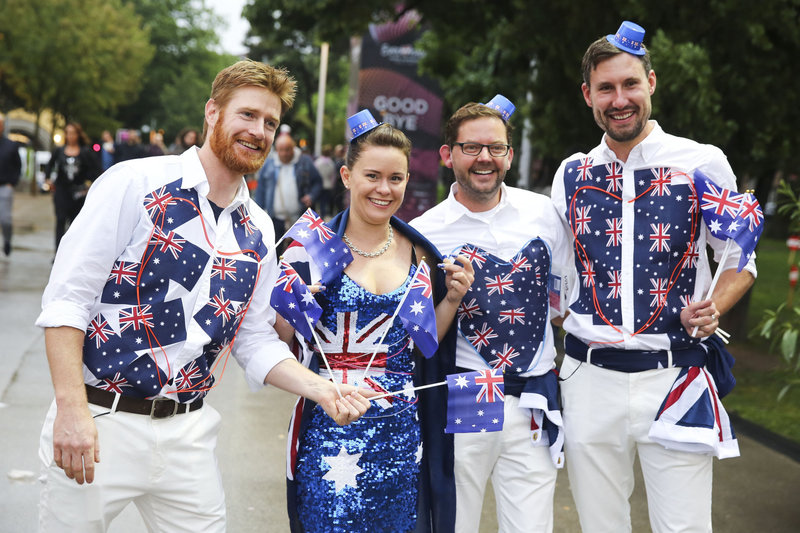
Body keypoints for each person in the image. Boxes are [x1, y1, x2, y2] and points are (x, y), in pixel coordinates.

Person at [35, 60, 373, 533]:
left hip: (189, 435)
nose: (259, 131)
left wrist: (323, 389)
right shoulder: (135, 184)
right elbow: (67, 302)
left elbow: (253, 339)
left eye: (270, 123)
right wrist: (71, 410)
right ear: (213, 112)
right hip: (98, 420)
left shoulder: (257, 228)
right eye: (248, 115)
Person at [550, 21, 757, 533]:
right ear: (588, 95)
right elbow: (557, 271)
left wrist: (715, 306)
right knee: (601, 526)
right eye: (606, 88)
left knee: (683, 527)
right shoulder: (572, 172)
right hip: (587, 376)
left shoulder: (701, 162)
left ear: (651, 83)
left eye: (630, 84)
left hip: (676, 373)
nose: (620, 99)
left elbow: (740, 258)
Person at [284, 110, 474, 532]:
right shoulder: (310, 247)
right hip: (329, 428)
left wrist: (453, 300)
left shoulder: (420, 251)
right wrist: (288, 306)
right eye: (373, 176)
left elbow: (423, 343)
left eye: (396, 178)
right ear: (348, 176)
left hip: (400, 433)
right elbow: (281, 345)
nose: (384, 189)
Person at [411, 96, 571, 533]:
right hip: (469, 389)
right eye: (472, 147)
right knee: (455, 518)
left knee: (531, 526)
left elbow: (564, 295)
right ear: (448, 155)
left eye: (496, 148)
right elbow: (417, 331)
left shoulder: (543, 214)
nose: (485, 158)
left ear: (510, 155)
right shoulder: (426, 232)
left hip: (535, 393)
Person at [44, 121, 100, 250]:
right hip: (61, 191)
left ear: (78, 135)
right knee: (60, 220)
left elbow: (96, 171)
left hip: (78, 193)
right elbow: (49, 165)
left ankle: (72, 252)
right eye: (68, 133)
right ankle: (58, 253)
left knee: (75, 224)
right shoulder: (59, 151)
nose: (70, 136)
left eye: (73, 133)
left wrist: (89, 186)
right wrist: (48, 180)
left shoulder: (85, 152)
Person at [253, 133, 322, 237]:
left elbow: (318, 182)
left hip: (300, 219)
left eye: (287, 149)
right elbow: (261, 190)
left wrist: (311, 196)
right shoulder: (269, 164)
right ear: (277, 150)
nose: (284, 153)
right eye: (281, 150)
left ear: (293, 148)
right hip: (274, 219)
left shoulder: (305, 162)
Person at [0, 113, 22, 256]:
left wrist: (12, 183)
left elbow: (18, 166)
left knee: (5, 219)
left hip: (5, 186)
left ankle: (7, 240)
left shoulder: (11, 145)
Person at [314, 144, 337, 217]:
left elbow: (314, 174)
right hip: (327, 185)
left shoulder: (317, 162)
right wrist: (332, 185)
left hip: (318, 185)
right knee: (323, 204)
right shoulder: (331, 163)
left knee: (316, 204)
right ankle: (322, 218)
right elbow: (333, 176)